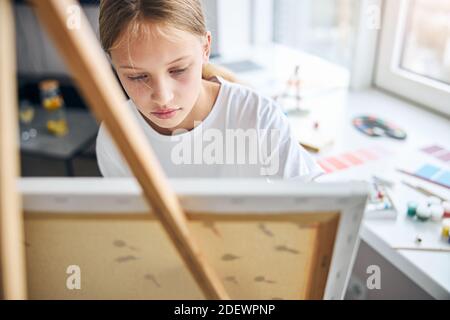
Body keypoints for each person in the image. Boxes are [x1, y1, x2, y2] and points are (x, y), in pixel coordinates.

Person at [96, 0, 323, 180]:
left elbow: (316, 204)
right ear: (113, 65)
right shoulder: (115, 136)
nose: (163, 96)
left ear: (205, 48)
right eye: (137, 76)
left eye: (178, 70)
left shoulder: (257, 117)